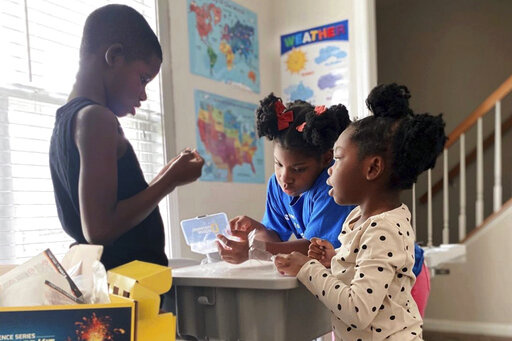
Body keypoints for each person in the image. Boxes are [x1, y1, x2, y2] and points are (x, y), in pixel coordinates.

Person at [274, 83, 446, 340]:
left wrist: (307, 268)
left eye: (339, 159)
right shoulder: (358, 217)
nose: (330, 170)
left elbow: (358, 310)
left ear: (372, 168)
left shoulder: (383, 229)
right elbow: (363, 273)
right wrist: (333, 259)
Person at [49, 4, 204, 270]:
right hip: (126, 289)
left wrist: (165, 175)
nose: (143, 94)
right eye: (143, 78)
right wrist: (170, 181)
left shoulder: (66, 119)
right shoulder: (97, 118)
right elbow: (99, 229)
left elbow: (105, 209)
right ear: (115, 56)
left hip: (109, 282)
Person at [216, 93, 355, 263]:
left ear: (327, 159)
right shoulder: (276, 185)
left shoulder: (333, 188)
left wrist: (254, 250)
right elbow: (275, 238)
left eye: (298, 169)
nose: (285, 177)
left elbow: (314, 249)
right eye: (278, 164)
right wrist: (255, 230)